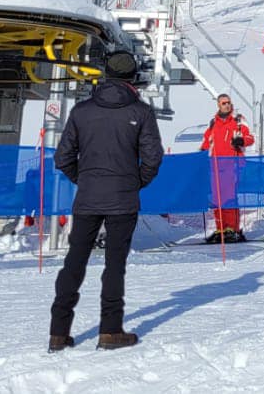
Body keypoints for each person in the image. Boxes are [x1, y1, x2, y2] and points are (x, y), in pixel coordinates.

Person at [49, 51, 163, 352]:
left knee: (74, 261)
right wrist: (135, 182)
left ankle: (58, 333)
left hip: (87, 197)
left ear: (105, 74)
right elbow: (153, 158)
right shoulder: (141, 111)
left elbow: (62, 158)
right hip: (123, 200)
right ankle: (110, 331)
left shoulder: (81, 111)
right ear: (132, 77)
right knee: (115, 265)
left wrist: (83, 179)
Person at [200, 94, 253, 244]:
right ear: (218, 105)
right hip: (216, 166)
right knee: (217, 199)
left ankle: (233, 228)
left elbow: (250, 137)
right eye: (223, 103)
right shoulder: (213, 123)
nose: (227, 105)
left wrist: (242, 140)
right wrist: (201, 155)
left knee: (230, 198)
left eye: (229, 102)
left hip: (233, 164)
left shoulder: (238, 120)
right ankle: (221, 228)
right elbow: (207, 141)